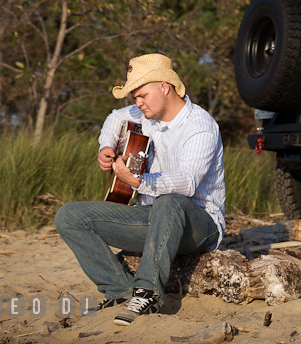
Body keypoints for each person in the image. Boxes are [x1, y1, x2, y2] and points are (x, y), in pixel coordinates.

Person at [55, 53, 225, 326]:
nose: (138, 103)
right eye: (135, 97)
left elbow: (187, 182)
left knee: (171, 200)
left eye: (142, 95)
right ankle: (120, 289)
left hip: (199, 226)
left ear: (164, 87)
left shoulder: (200, 125)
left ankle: (147, 292)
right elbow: (114, 117)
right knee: (69, 216)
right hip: (152, 217)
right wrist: (106, 147)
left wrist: (140, 182)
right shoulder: (143, 113)